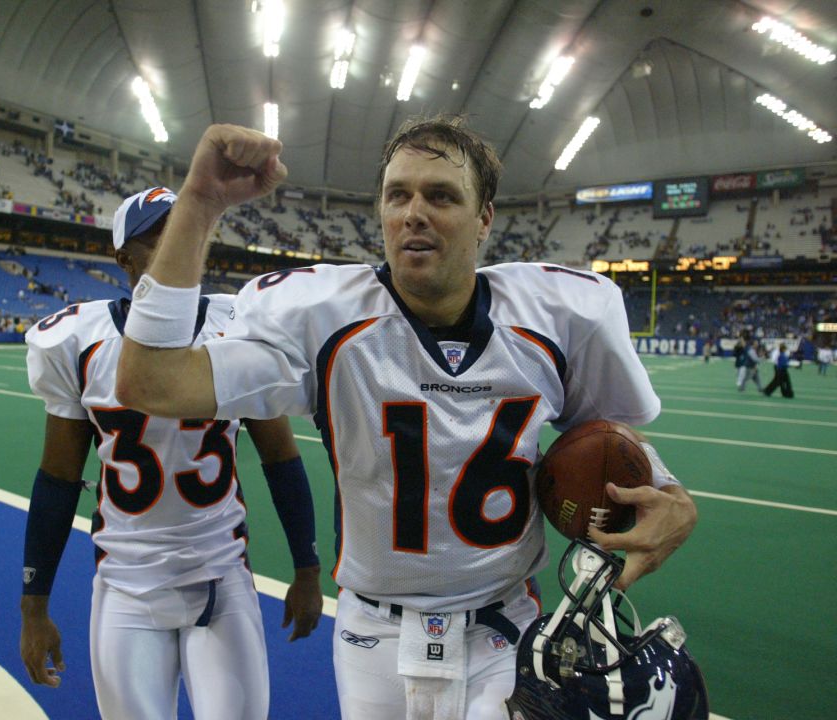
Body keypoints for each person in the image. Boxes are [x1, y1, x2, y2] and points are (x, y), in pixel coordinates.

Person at [113, 119, 698, 719]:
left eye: (441, 195)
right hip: (372, 634)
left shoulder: (556, 315)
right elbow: (148, 382)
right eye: (399, 195)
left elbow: (609, 437)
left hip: (503, 626)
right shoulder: (324, 318)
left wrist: (667, 488)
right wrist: (200, 204)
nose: (414, 212)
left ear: (484, 219)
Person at [19, 187, 323, 720]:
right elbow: (58, 479)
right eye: (159, 235)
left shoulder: (236, 327)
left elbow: (281, 457)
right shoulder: (80, 342)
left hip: (221, 574)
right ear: (123, 256)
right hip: (126, 583)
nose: (177, 244)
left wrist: (307, 567)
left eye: (187, 230)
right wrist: (33, 606)